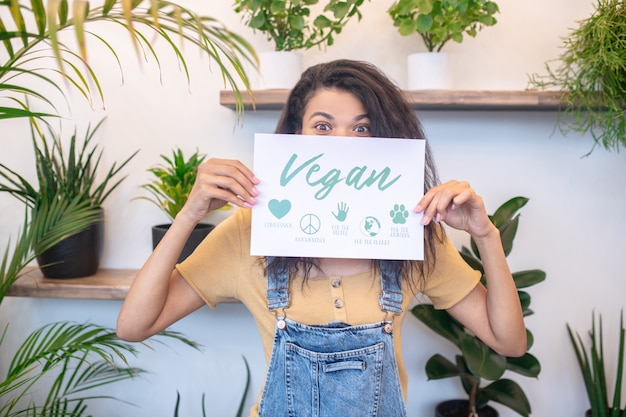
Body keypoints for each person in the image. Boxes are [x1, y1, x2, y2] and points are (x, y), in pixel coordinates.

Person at [117, 59, 527, 417]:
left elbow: (508, 342)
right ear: (296, 135)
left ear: (386, 139)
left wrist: (485, 234)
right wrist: (189, 214)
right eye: (323, 126)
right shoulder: (249, 232)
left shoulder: (413, 233)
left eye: (362, 128)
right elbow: (134, 326)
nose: (343, 144)